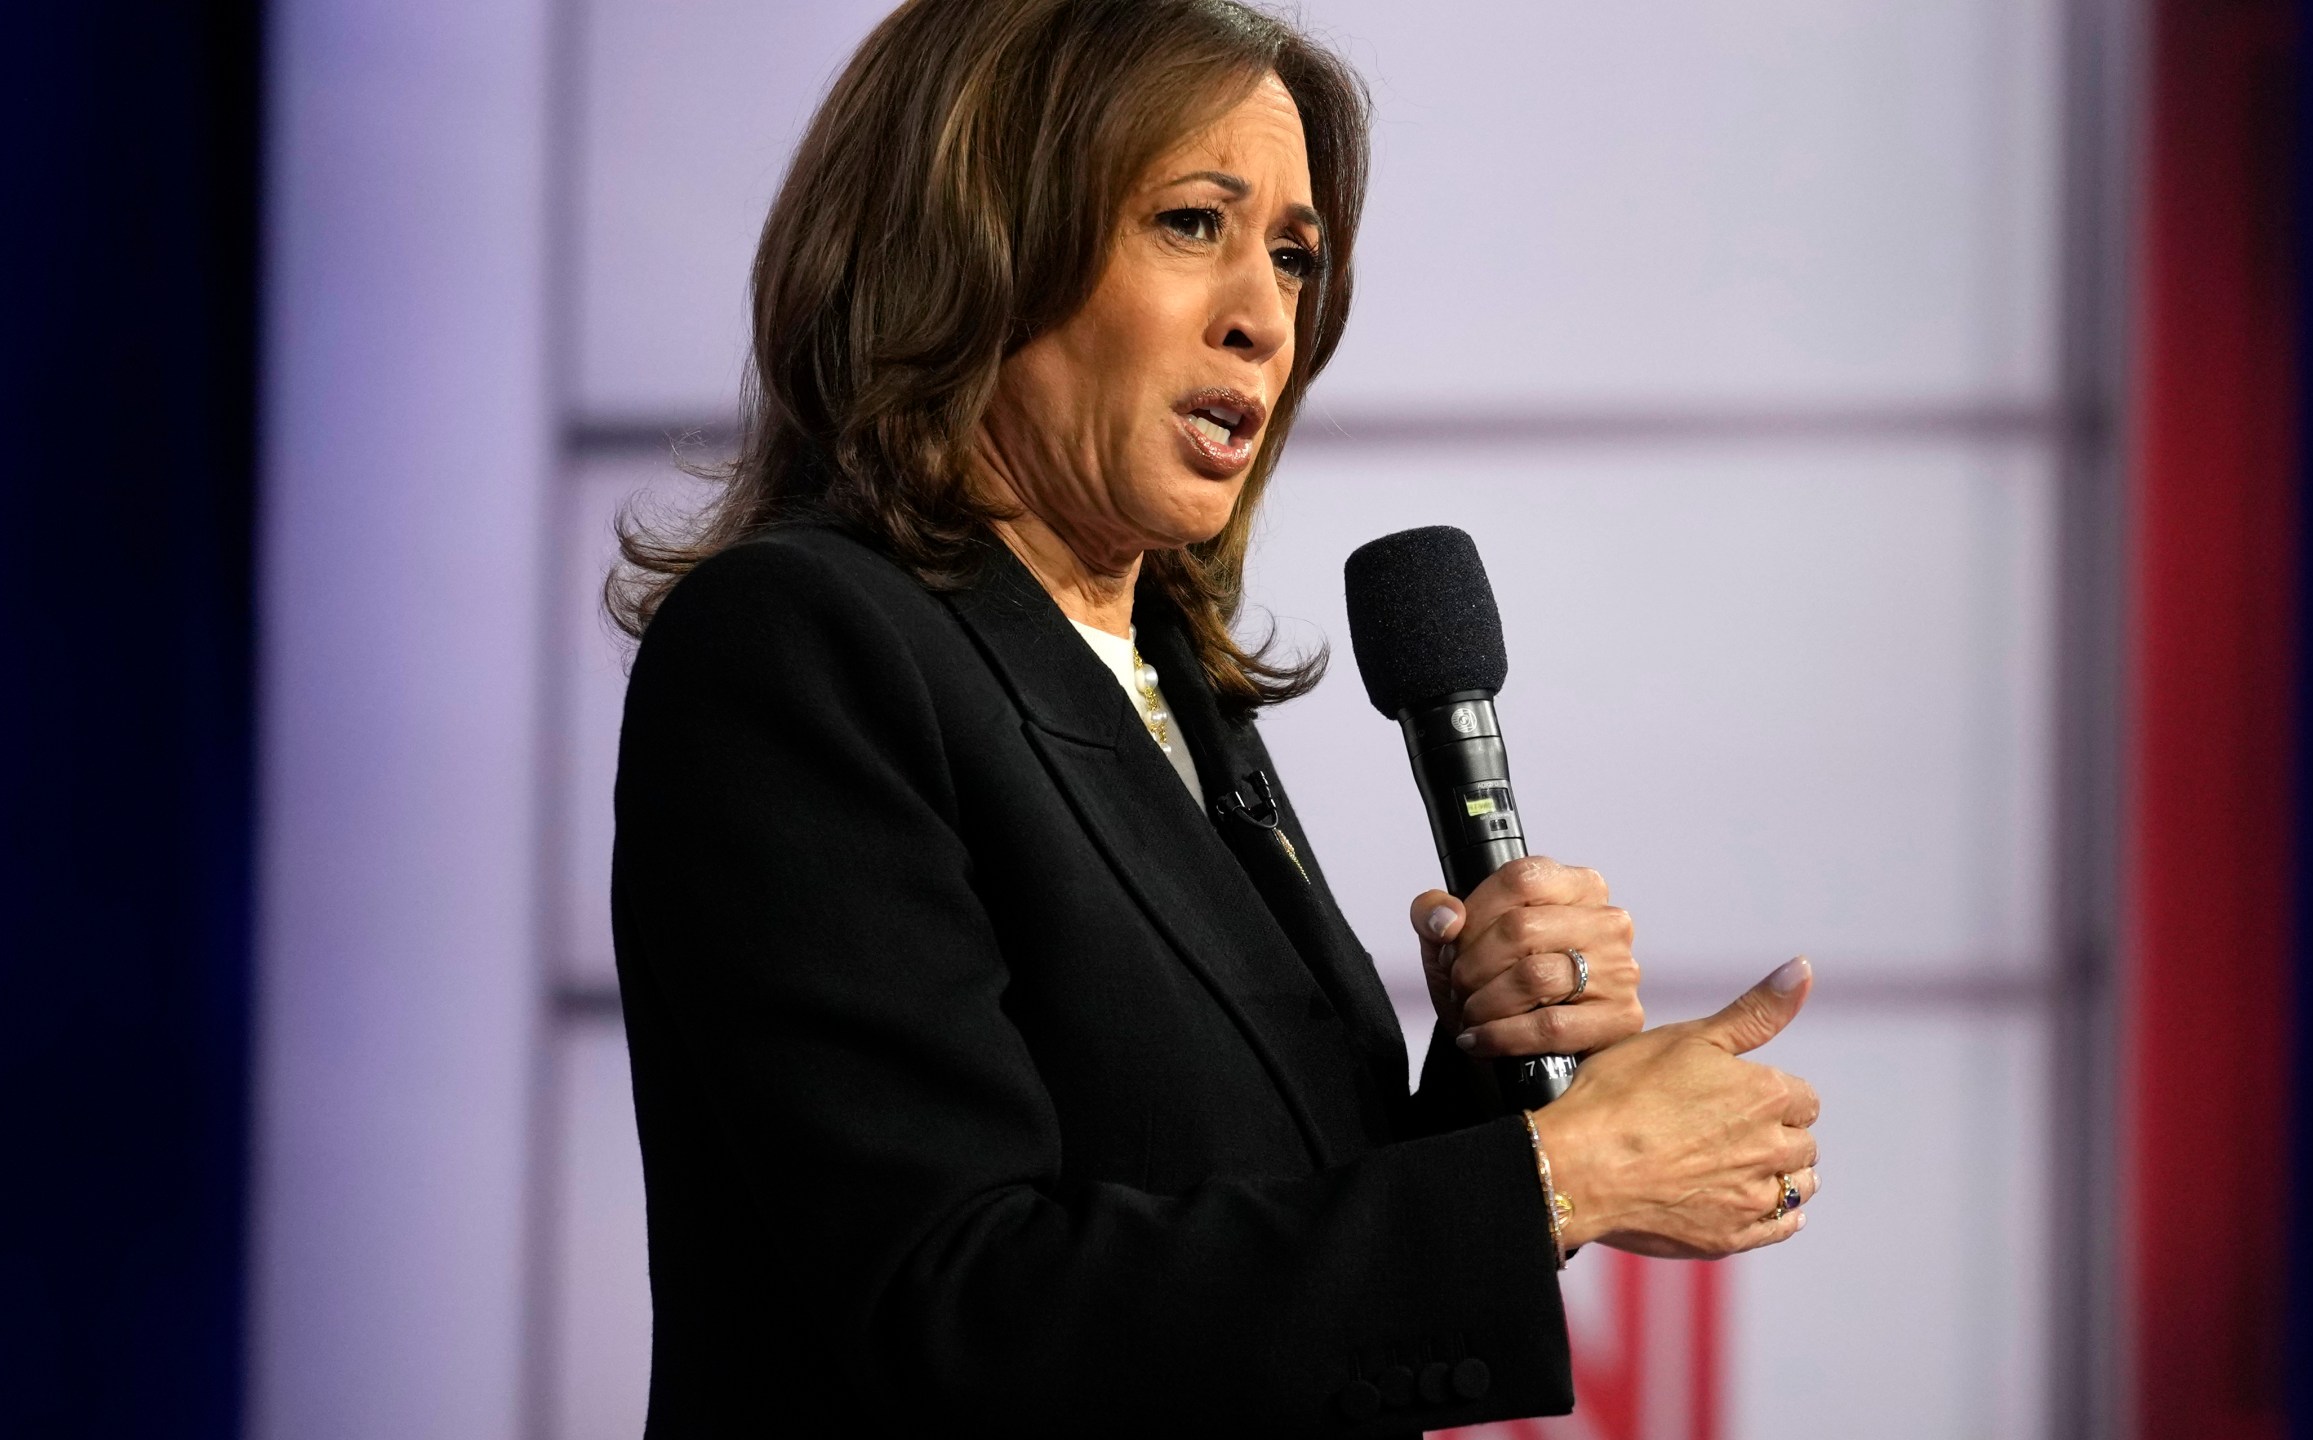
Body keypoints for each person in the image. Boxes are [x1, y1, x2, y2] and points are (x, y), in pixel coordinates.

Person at [608, 1, 1822, 1433]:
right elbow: (949, 1310)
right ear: (975, 245)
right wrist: (1565, 1178)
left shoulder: (1165, 687)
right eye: (1193, 223)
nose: (1265, 313)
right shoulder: (802, 646)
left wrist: (1504, 1086)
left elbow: (1232, 1210)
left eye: (1296, 256)